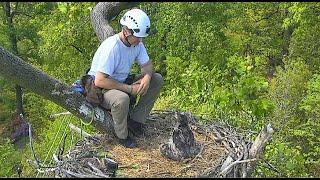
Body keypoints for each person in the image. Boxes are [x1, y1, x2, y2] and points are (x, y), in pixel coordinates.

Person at [87, 8, 163, 148]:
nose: (140, 40)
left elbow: (147, 64)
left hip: (120, 81)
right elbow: (100, 80)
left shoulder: (136, 43)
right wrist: (129, 89)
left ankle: (136, 122)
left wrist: (146, 77)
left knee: (156, 79)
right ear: (127, 31)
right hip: (101, 89)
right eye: (138, 37)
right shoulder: (112, 48)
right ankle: (122, 136)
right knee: (122, 98)